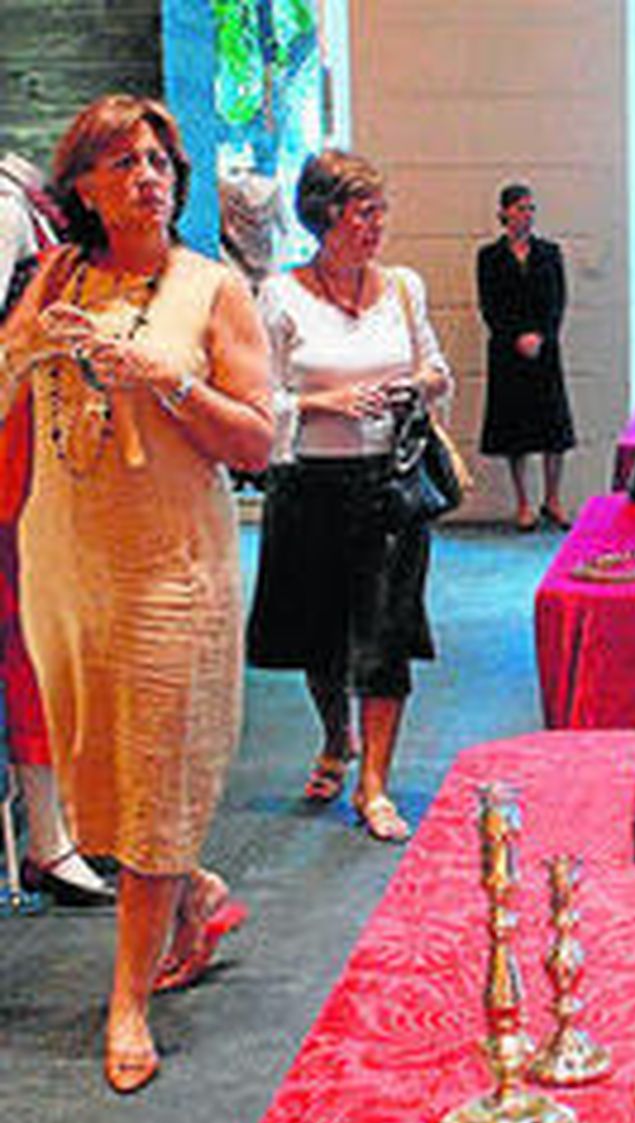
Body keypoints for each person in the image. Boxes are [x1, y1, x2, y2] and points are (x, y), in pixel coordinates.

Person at [0, 95, 273, 1091]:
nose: (146, 177)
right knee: (95, 768)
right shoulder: (55, 275)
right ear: (82, 185)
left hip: (171, 570)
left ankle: (127, 998)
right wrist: (31, 344)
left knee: (154, 771)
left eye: (157, 160)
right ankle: (191, 889)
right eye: (121, 162)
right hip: (64, 561)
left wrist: (166, 379)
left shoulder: (211, 288)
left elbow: (259, 441)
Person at [248, 150, 453, 843]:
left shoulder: (403, 288)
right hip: (309, 485)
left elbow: (437, 370)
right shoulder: (279, 296)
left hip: (391, 487)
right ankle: (338, 737)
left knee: (386, 637)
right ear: (325, 215)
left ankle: (374, 785)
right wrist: (321, 402)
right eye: (365, 212)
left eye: (380, 211)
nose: (377, 225)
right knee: (321, 638)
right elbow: (257, 398)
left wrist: (415, 385)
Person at [0, 150, 116, 906]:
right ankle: (49, 837)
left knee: (52, 648)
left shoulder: (26, 206)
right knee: (31, 650)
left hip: (52, 455)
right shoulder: (9, 209)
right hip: (17, 461)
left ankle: (63, 827)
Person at [476, 182, 575, 530]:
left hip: (544, 349)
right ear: (504, 213)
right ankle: (522, 503)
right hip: (507, 351)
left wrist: (541, 336)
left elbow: (558, 300)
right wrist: (516, 337)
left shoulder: (549, 252)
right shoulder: (489, 256)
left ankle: (553, 499)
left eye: (531, 208)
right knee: (514, 430)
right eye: (520, 208)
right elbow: (489, 306)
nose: (527, 215)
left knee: (554, 428)